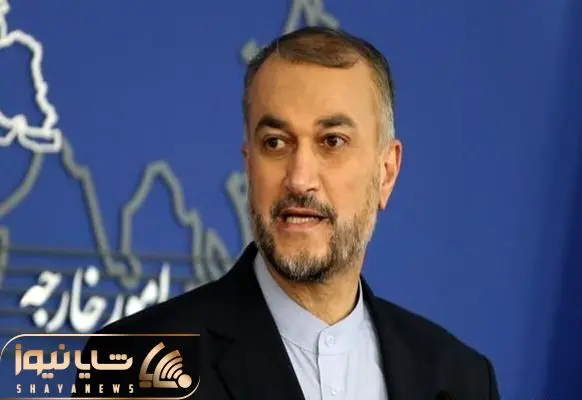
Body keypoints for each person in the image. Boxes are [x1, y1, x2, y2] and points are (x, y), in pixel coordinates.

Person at [83, 27, 500, 400]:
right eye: (276, 143)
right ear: (249, 165)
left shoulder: (460, 379)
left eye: (332, 141)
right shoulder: (135, 367)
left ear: (386, 172)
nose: (300, 180)